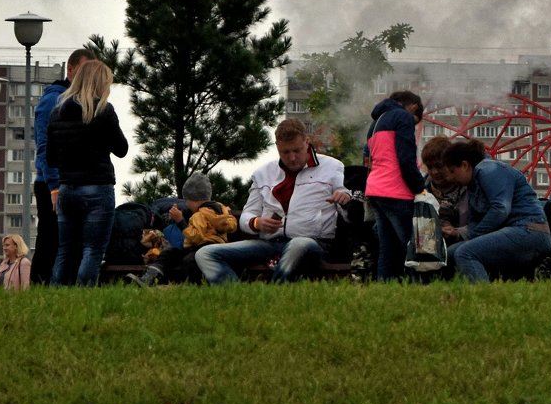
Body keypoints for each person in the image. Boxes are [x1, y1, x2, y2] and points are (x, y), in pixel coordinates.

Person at [195, 118, 351, 284]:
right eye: (285, 152)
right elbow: (246, 216)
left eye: (297, 151)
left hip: (314, 243)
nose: (292, 158)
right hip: (270, 244)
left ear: (307, 141)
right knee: (205, 254)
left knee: (299, 244)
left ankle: (275, 289)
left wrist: (345, 200)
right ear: (277, 147)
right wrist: (256, 223)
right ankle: (236, 295)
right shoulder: (263, 173)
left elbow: (347, 208)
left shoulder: (332, 167)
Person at [46, 59, 129, 286]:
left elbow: (51, 158)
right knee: (92, 249)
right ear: (100, 84)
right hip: (97, 187)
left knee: (65, 249)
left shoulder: (57, 113)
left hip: (67, 189)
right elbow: (122, 150)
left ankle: (58, 294)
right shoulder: (103, 111)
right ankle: (84, 293)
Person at [440, 138, 551, 282]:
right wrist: (457, 234)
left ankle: (484, 299)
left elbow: (500, 209)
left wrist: (475, 236)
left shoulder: (488, 169)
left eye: (452, 171)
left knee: (465, 253)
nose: (449, 178)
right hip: (513, 231)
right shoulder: (472, 186)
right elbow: (475, 223)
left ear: (465, 165)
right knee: (450, 254)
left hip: (529, 231)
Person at [31, 47, 94, 284]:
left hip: (72, 182)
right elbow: (45, 145)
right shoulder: (54, 99)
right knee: (49, 239)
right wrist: (54, 186)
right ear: (71, 68)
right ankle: (39, 286)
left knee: (68, 241)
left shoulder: (78, 100)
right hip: (52, 183)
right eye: (85, 70)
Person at [127, 172, 237, 286]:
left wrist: (180, 221)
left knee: (184, 259)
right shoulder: (221, 210)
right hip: (210, 248)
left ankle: (153, 280)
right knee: (171, 253)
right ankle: (151, 278)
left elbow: (196, 238)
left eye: (187, 201)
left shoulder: (199, 215)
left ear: (194, 199)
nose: (186, 204)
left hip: (202, 248)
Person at [365, 91, 426, 281]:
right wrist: (419, 187)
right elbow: (406, 158)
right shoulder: (403, 116)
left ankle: (385, 288)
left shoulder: (375, 123)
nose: (413, 125)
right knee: (414, 246)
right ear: (414, 107)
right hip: (396, 190)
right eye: (415, 122)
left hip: (375, 190)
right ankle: (422, 287)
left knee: (388, 248)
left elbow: (367, 159)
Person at [421, 135, 470, 242]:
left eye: (439, 166)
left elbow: (480, 223)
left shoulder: (468, 188)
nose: (434, 172)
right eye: (430, 167)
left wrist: (458, 232)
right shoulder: (420, 190)